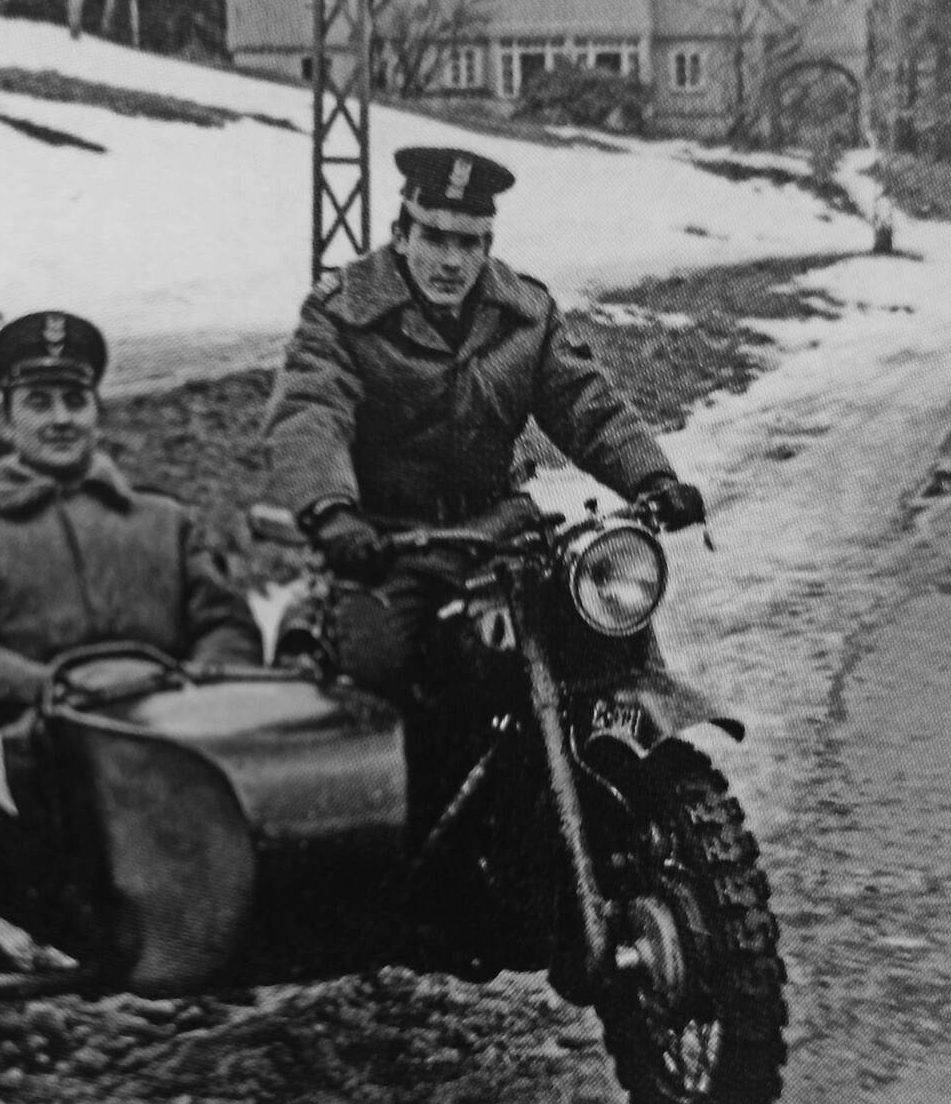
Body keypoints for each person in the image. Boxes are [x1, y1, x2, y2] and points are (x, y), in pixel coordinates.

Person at [262, 146, 706, 702]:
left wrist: (654, 480)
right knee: (376, 671)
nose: (451, 261)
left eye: (468, 242)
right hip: (389, 544)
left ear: (487, 246)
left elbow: (585, 403)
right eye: (434, 237)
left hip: (497, 533)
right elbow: (310, 410)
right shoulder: (343, 311)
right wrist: (332, 511)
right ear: (403, 235)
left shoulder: (525, 313)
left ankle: (622, 763)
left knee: (602, 627)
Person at [0, 310, 262, 721]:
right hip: (32, 738)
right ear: (5, 423)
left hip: (174, 728)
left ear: (97, 415)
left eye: (75, 402)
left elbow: (227, 627)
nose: (61, 419)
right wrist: (49, 689)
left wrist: (196, 685)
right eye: (38, 403)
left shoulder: (167, 521)